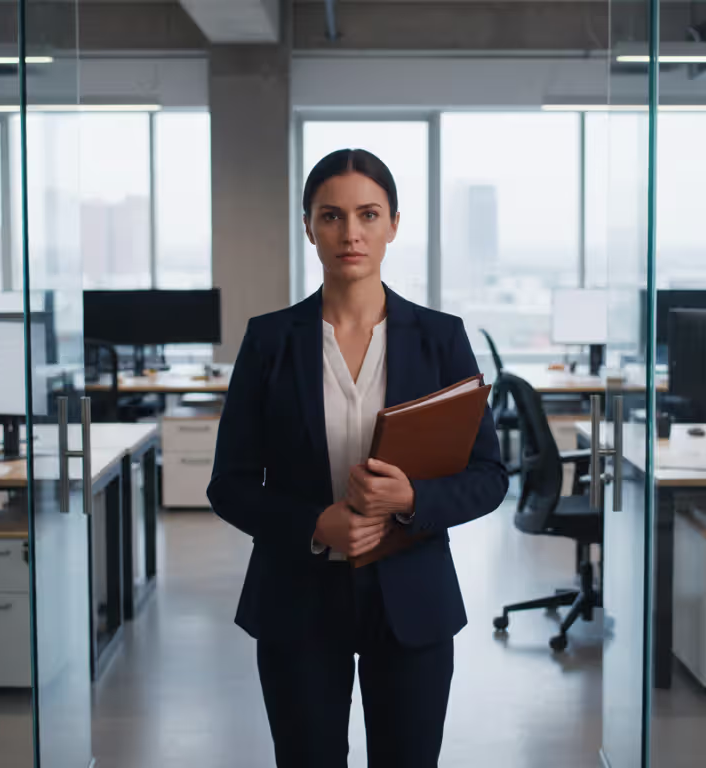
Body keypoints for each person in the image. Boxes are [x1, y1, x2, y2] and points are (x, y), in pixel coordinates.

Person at [207, 148, 507, 768]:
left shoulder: (441, 337)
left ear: (393, 224)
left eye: (368, 215)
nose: (351, 233)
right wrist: (316, 523)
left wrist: (413, 499)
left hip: (412, 597)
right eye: (332, 216)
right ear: (309, 225)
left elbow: (489, 476)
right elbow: (230, 484)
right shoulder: (269, 341)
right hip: (296, 597)